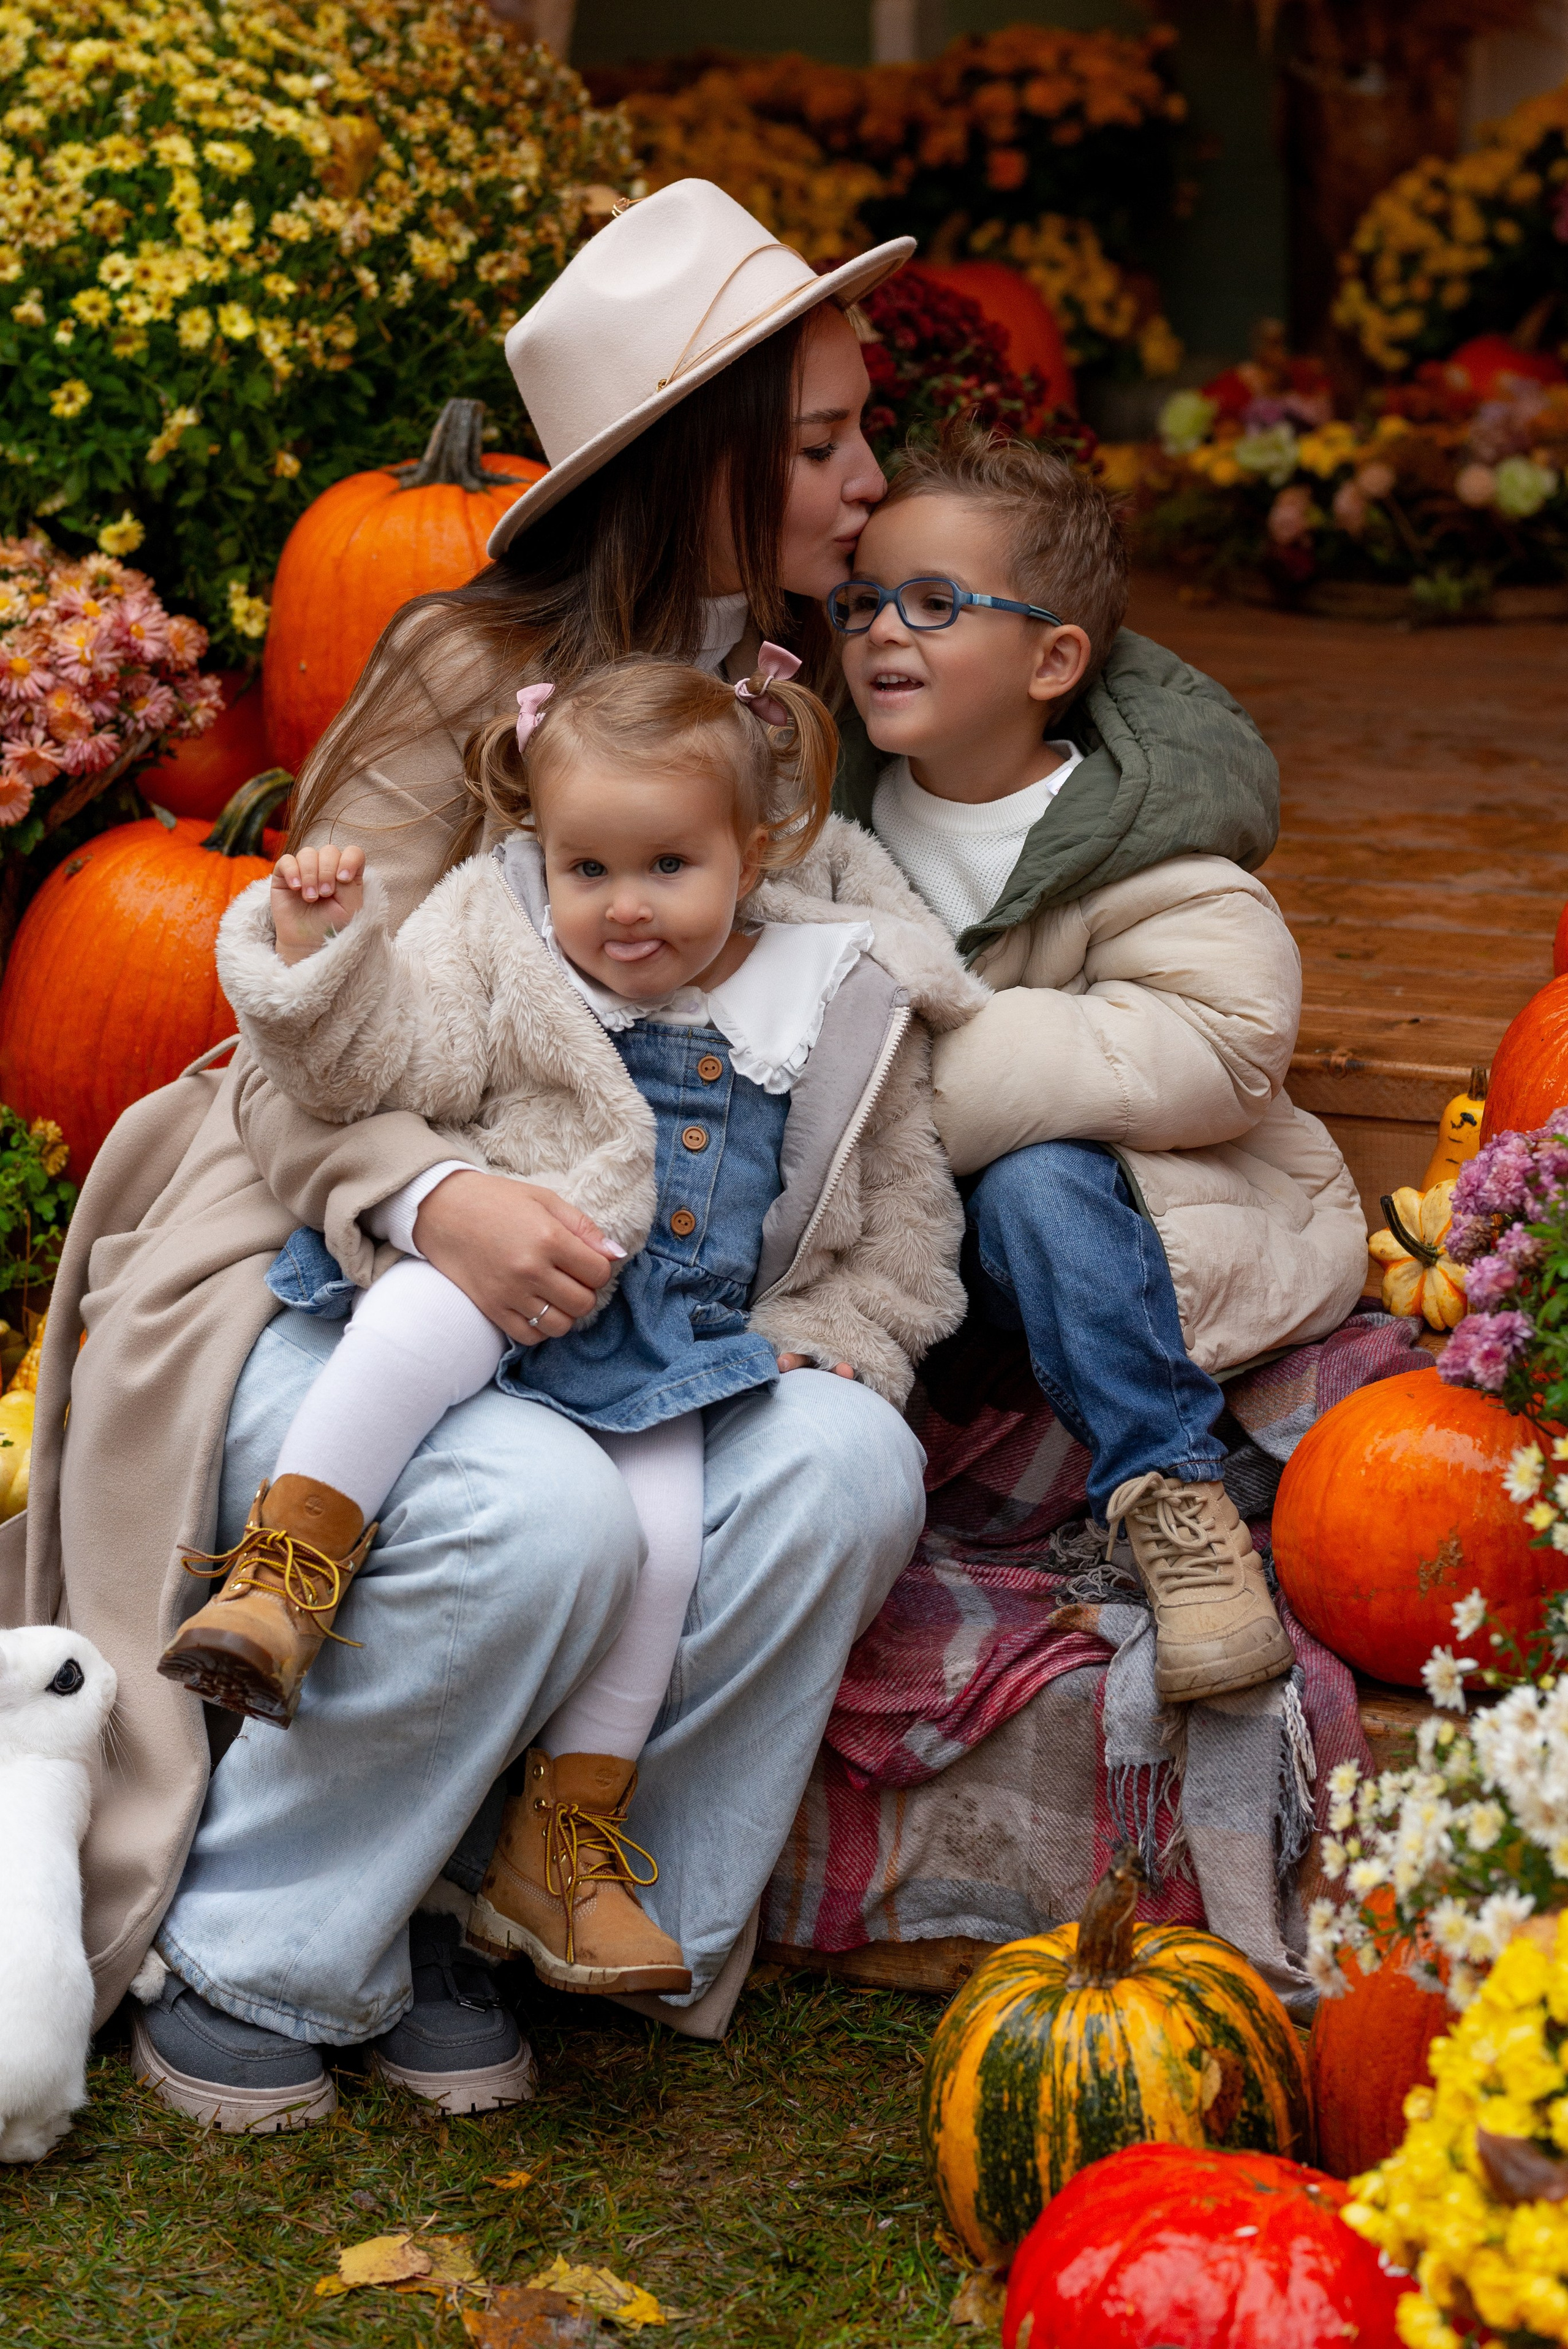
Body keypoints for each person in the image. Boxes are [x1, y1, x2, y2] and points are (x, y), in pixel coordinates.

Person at [12, 177, 1300, 2133]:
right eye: (817, 442)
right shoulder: (469, 674)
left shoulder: (823, 693)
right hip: (364, 1250)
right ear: (697, 457)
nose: (869, 483)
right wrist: (435, 1198)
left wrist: (853, 1300)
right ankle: (268, 1935)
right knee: (534, 1505)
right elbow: (305, 1025)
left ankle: (527, 1888)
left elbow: (1081, 772)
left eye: (863, 427)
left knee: (846, 1455)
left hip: (671, 1286)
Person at [155, 652, 980, 2016]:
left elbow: (901, 1218)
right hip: (496, 1270)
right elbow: (386, 1063)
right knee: (423, 1316)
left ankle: (563, 1847)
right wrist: (324, 957)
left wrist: (844, 1339)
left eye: (666, 864)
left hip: (657, 1349)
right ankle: (283, 1574)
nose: (624, 905)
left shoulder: (831, 996)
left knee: (654, 1555)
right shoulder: (503, 935)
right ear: (542, 851)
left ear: (756, 848)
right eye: (588, 869)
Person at [831, 425, 1367, 1699]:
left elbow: (1224, 1040)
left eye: (935, 604)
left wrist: (914, 1090)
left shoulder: (1133, 827)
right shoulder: (829, 817)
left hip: (1123, 1222)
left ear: (1051, 659)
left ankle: (1172, 1494)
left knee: (1034, 1174)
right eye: (862, 602)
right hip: (909, 1254)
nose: (881, 634)